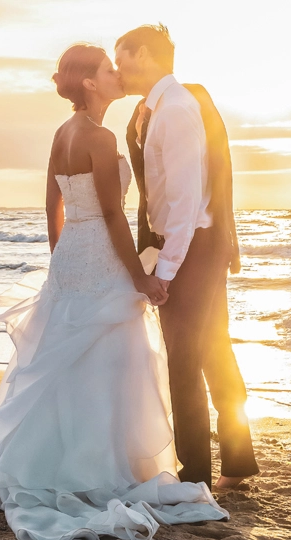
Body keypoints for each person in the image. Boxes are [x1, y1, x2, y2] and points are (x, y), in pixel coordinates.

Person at [0, 43, 228, 540]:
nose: (118, 74)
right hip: (103, 252)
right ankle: (95, 465)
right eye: (108, 69)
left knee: (61, 360)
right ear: (91, 83)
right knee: (112, 359)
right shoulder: (98, 135)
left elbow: (53, 195)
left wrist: (62, 250)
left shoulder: (63, 132)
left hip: (74, 254)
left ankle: (46, 459)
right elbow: (114, 215)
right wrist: (139, 278)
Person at [115, 24, 259, 491]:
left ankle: (193, 474)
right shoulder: (151, 110)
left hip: (190, 244)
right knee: (214, 348)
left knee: (183, 358)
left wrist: (168, 270)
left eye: (123, 57)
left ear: (144, 55)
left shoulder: (175, 110)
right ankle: (237, 462)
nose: (119, 67)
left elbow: (184, 200)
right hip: (191, 243)